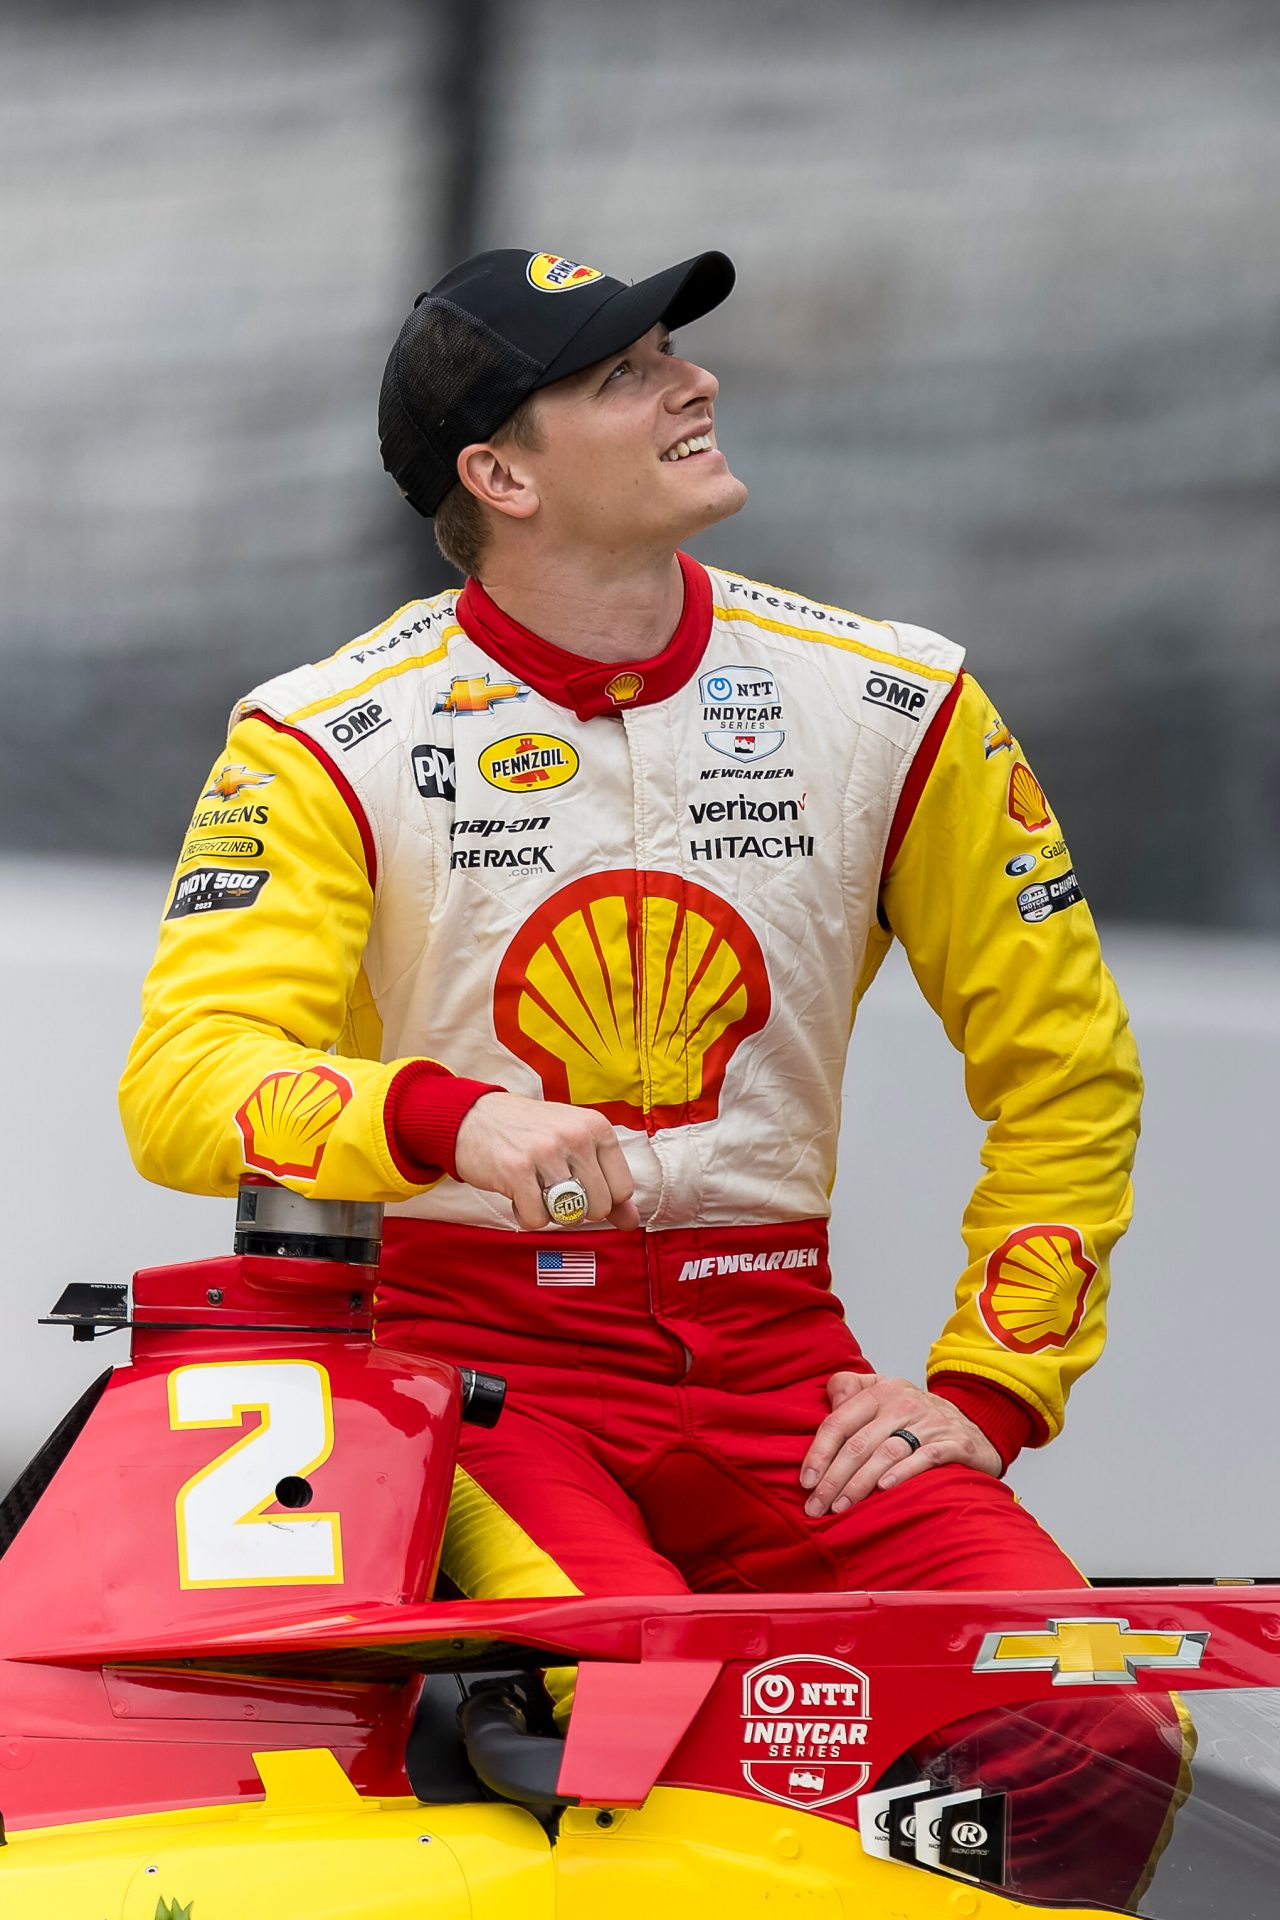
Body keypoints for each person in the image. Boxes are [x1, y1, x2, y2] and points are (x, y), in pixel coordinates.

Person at [120, 247, 1187, 1905]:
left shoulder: (896, 699)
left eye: (675, 352)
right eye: (623, 374)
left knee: (1103, 1731)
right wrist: (453, 1118)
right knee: (646, 1713)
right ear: (502, 474)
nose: (692, 383)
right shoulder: (323, 734)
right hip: (481, 1379)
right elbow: (187, 1080)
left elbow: (1067, 1076)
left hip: (788, 1369)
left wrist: (985, 1387)